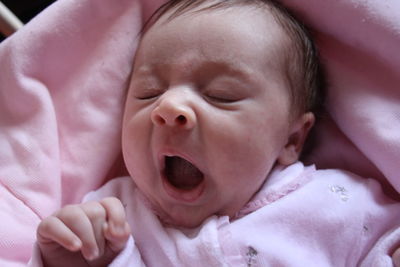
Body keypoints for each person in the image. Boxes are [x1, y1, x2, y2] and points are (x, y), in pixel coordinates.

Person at [30, 0, 400, 266]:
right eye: (149, 93)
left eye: (220, 95)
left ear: (291, 139)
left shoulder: (336, 204)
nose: (170, 107)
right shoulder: (114, 217)